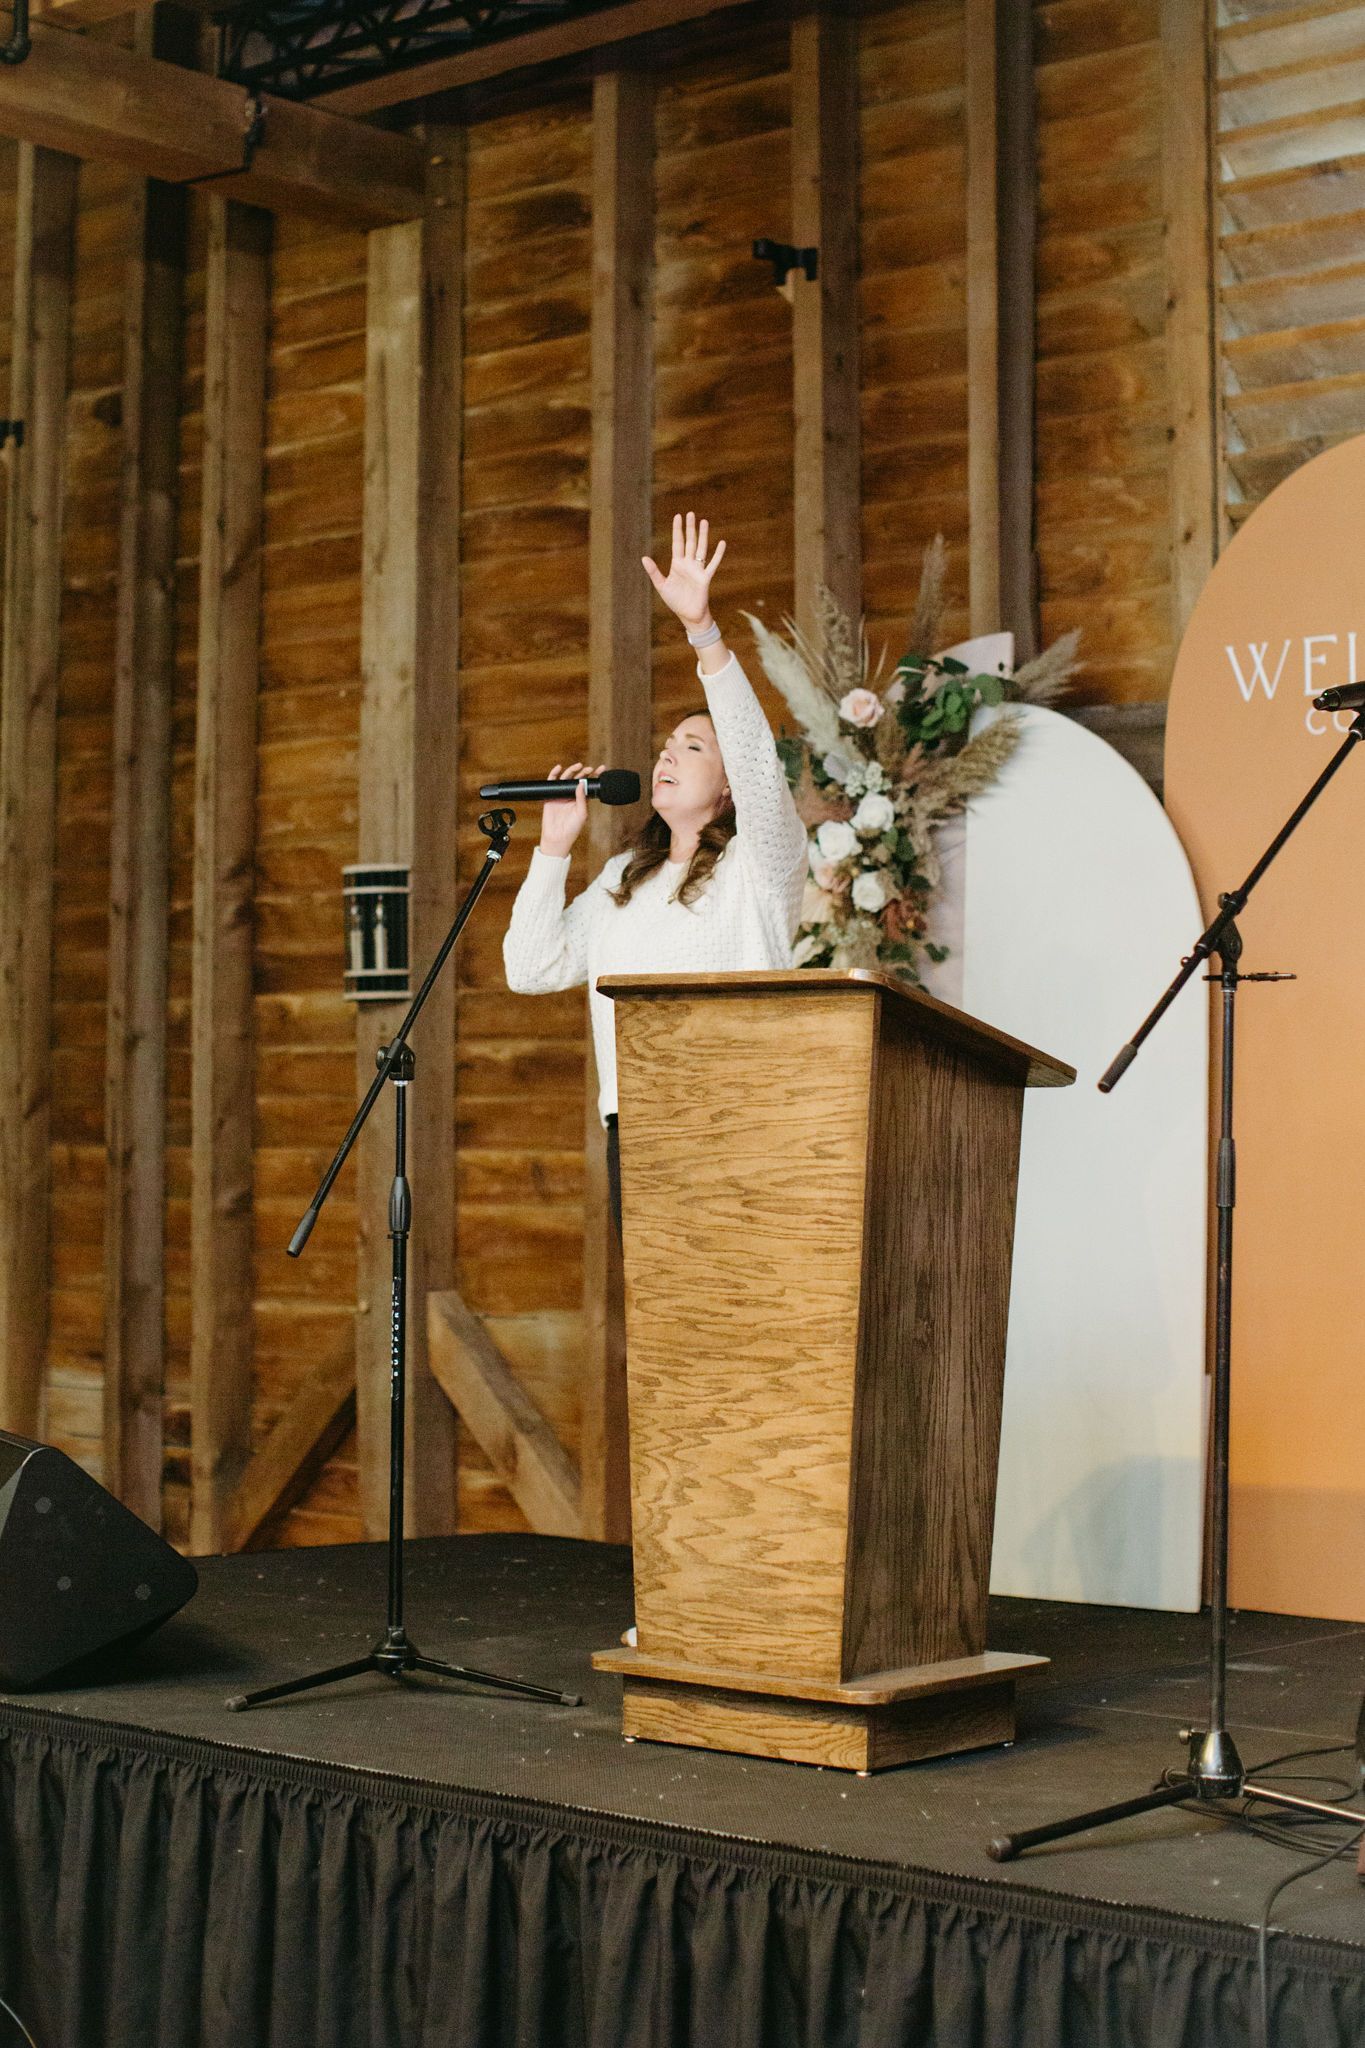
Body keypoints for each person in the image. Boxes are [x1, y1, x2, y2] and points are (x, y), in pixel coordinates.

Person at [502, 510, 808, 1235]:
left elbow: (756, 760)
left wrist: (702, 631)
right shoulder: (622, 879)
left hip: (735, 1117)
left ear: (728, 789)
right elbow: (529, 967)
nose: (668, 754)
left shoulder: (759, 863)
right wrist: (552, 850)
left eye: (694, 747)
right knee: (659, 1305)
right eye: (668, 743)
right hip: (635, 1124)